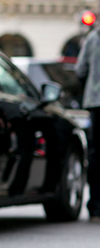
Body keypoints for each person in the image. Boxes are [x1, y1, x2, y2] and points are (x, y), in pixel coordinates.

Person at [76, 23, 100, 223]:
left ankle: (95, 207)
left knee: (96, 154)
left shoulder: (93, 38)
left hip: (97, 102)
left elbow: (80, 70)